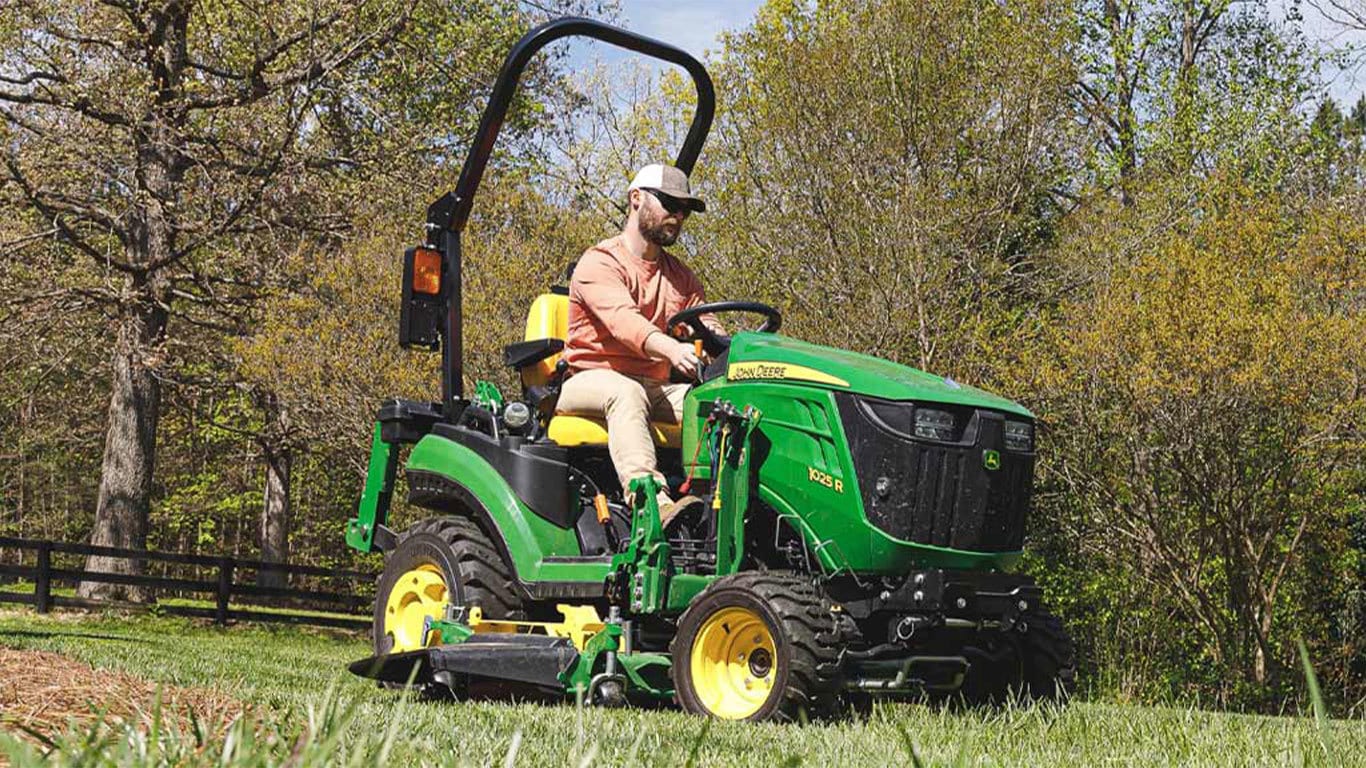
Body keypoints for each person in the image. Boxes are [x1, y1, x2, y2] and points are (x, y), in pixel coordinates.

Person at [556, 163, 720, 524]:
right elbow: (625, 322)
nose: (677, 216)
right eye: (668, 204)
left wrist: (727, 346)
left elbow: (707, 324)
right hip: (589, 378)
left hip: (654, 386)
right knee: (625, 392)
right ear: (636, 199)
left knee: (723, 406)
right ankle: (652, 503)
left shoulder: (681, 277)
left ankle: (719, 504)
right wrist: (673, 349)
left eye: (684, 210)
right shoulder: (600, 262)